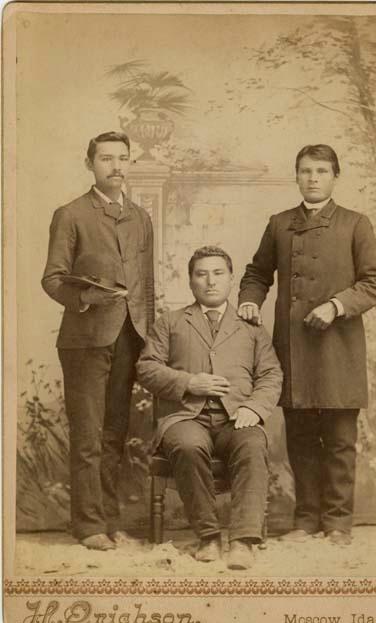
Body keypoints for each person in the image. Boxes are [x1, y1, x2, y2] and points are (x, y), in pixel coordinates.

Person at [238, 144, 376, 546]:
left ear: (335, 176)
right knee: (300, 436)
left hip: (339, 347)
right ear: (297, 176)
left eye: (322, 171)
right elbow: (256, 272)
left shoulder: (356, 224)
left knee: (339, 439)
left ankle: (338, 522)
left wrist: (336, 306)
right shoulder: (280, 223)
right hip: (293, 347)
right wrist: (250, 299)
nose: (313, 178)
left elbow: (374, 283)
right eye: (306, 171)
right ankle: (305, 519)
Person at [42, 131, 154, 550]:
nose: (116, 167)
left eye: (123, 158)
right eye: (106, 159)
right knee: (88, 436)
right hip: (85, 341)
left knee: (114, 434)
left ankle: (109, 519)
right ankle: (88, 526)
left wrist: (149, 335)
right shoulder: (70, 214)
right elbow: (52, 279)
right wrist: (85, 297)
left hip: (129, 336)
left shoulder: (141, 217)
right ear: (90, 163)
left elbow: (147, 283)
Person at [137, 246, 281, 569]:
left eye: (218, 273)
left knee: (254, 443)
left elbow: (271, 373)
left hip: (237, 417)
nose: (210, 281)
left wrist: (255, 408)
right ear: (191, 282)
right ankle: (208, 536)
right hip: (186, 416)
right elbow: (146, 367)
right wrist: (189, 383)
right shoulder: (171, 322)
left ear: (231, 280)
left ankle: (243, 541)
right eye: (201, 274)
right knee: (187, 445)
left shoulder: (251, 325)